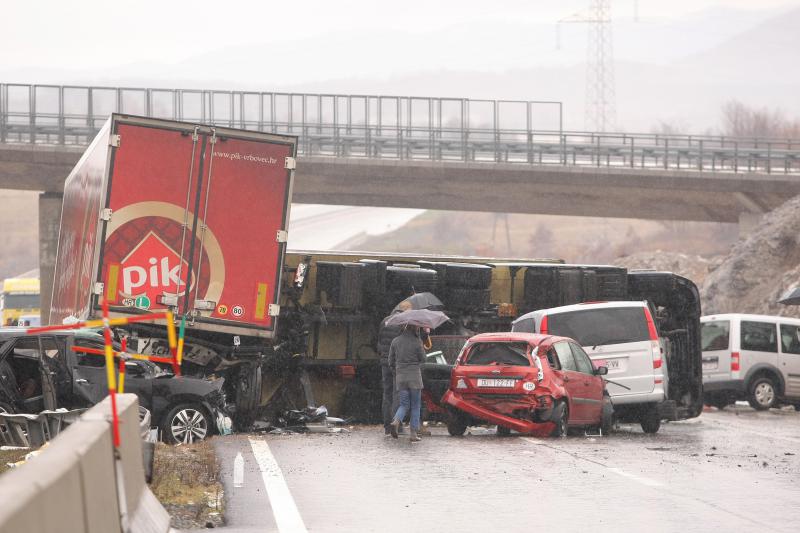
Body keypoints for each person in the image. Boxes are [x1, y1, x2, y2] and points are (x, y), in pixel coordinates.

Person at [377, 300, 411, 435]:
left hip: (385, 361)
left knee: (387, 393)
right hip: (398, 362)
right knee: (398, 393)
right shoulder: (404, 323)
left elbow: (379, 341)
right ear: (406, 310)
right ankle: (396, 424)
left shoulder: (385, 320)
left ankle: (386, 425)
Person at [388, 325, 426, 442]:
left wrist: (397, 371)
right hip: (414, 378)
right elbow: (423, 359)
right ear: (415, 328)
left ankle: (396, 421)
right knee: (415, 405)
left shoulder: (395, 341)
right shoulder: (417, 341)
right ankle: (413, 434)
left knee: (404, 404)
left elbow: (390, 361)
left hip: (401, 378)